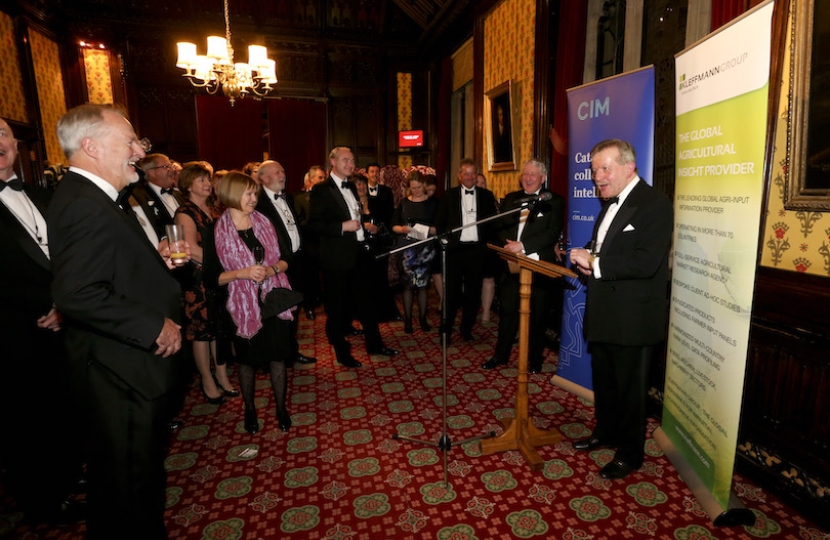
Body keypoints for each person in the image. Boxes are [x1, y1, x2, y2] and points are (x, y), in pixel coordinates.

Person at [48, 104, 186, 539]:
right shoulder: (84, 204)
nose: (139, 152)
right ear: (91, 146)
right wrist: (153, 325)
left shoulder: (97, 198)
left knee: (136, 480)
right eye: (129, 142)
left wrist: (153, 266)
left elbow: (108, 271)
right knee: (126, 488)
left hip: (125, 366)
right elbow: (77, 293)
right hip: (117, 372)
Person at [569, 139, 673, 480]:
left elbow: (646, 261)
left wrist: (595, 263)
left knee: (630, 391)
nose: (597, 176)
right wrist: (583, 255)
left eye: (604, 168)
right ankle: (606, 432)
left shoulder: (655, 204)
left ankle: (630, 453)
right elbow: (603, 247)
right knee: (606, 382)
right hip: (603, 312)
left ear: (629, 168)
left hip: (632, 319)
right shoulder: (608, 204)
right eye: (594, 170)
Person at [0, 118, 85, 524]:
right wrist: (46, 305)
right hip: (14, 333)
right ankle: (41, 503)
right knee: (26, 422)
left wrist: (65, 303)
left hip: (65, 322)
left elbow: (67, 253)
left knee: (63, 407)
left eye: (2, 133)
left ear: (16, 144)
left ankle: (66, 477)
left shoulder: (41, 194)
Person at [204, 172, 296, 434]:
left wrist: (272, 270)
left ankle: (281, 409)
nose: (254, 198)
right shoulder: (215, 231)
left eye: (255, 193)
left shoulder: (266, 222)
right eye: (248, 193)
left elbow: (287, 258)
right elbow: (211, 278)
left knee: (277, 357)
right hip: (241, 307)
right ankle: (250, 409)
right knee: (247, 361)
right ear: (232, 195)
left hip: (273, 300)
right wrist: (241, 273)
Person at [308, 147, 398, 367]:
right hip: (337, 258)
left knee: (368, 302)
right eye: (345, 160)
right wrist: (342, 227)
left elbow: (355, 216)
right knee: (338, 307)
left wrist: (362, 227)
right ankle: (342, 352)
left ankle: (375, 344)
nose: (351, 164)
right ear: (332, 162)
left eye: (352, 160)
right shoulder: (321, 189)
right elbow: (314, 225)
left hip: (359, 253)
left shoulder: (351, 186)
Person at [482, 159, 565, 373]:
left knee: (538, 317)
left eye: (533, 174)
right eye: (525, 174)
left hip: (539, 268)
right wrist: (510, 247)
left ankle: (535, 359)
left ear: (543, 178)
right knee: (507, 313)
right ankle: (501, 355)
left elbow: (551, 233)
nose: (528, 178)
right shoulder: (512, 198)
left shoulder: (554, 201)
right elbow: (500, 225)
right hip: (512, 264)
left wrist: (523, 246)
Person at [174, 162, 238, 403]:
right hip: (198, 280)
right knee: (202, 332)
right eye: (201, 180)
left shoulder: (213, 209)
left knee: (219, 329)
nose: (207, 184)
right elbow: (190, 248)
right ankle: (207, 379)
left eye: (207, 180)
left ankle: (221, 375)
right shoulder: (185, 212)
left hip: (217, 277)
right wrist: (222, 265)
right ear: (188, 185)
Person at [256, 159, 317, 366]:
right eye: (277, 172)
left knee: (294, 308)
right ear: (264, 178)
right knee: (277, 312)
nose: (283, 175)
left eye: (283, 171)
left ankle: (291, 351)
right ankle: (278, 355)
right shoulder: (258, 204)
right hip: (275, 265)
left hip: (296, 261)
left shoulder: (288, 198)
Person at [435, 158, 498, 342]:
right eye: (466, 173)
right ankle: (445, 330)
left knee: (473, 293)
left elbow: (493, 225)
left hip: (477, 251)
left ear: (476, 175)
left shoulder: (486, 196)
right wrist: (445, 242)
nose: (469, 177)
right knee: (451, 293)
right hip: (455, 250)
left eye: (473, 173)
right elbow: (439, 223)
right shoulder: (448, 195)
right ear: (459, 175)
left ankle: (466, 329)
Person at [391, 170, 438, 333]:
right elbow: (393, 226)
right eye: (413, 188)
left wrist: (427, 230)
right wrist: (402, 229)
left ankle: (423, 319)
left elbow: (439, 227)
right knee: (408, 286)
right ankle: (408, 321)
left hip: (425, 248)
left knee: (423, 285)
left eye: (418, 187)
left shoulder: (432, 203)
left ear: (423, 185)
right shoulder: (404, 203)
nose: (416, 191)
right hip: (407, 249)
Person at [365, 161, 400, 322]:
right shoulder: (361, 190)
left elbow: (390, 213)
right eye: (372, 171)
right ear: (367, 174)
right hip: (365, 239)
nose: (374, 174)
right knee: (368, 276)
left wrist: (380, 227)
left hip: (381, 239)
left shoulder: (386, 191)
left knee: (382, 275)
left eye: (376, 172)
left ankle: (386, 310)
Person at [133, 153, 186, 239]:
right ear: (151, 172)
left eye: (171, 166)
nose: (172, 170)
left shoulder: (181, 195)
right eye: (166, 167)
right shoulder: (141, 198)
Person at [475, 172, 498, 323]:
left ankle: (486, 312)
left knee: (488, 278)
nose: (480, 185)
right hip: (471, 246)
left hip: (488, 243)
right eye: (477, 182)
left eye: (483, 183)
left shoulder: (491, 199)